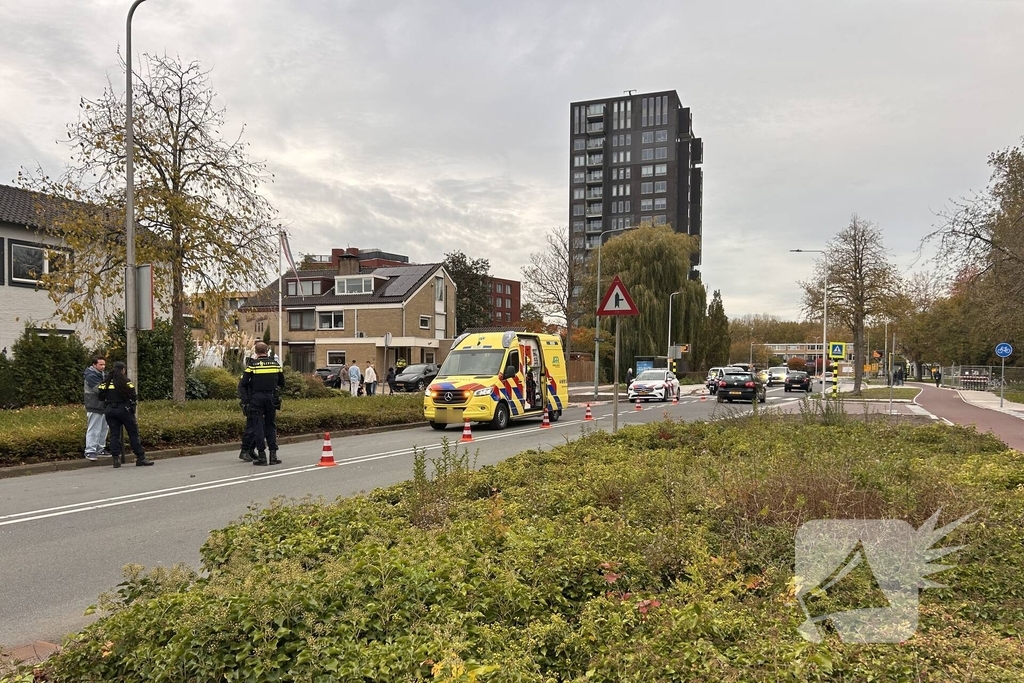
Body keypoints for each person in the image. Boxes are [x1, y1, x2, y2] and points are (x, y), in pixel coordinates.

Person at [97, 362, 154, 468]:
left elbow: (100, 396)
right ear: (123, 370)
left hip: (109, 410)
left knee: (114, 435)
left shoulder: (105, 382)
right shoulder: (126, 382)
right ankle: (140, 458)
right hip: (124, 410)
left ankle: (116, 460)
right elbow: (133, 395)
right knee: (133, 434)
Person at [238, 342, 285, 466]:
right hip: (271, 398)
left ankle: (262, 456)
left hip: (256, 398)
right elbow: (282, 382)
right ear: (267, 350)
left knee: (258, 426)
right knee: (271, 426)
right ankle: (273, 456)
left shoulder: (252, 366)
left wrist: (245, 400)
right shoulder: (275, 364)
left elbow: (243, 384)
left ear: (256, 352)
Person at [83, 355, 111, 461]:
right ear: (94, 365)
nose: (103, 367)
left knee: (103, 428)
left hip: (103, 405)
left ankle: (100, 448)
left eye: (104, 364)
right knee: (94, 429)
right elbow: (99, 389)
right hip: (94, 405)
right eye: (101, 364)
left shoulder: (103, 374)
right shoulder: (91, 376)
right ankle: (90, 451)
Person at [236, 352, 258, 462]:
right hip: (251, 403)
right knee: (251, 428)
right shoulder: (248, 373)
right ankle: (244, 451)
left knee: (258, 428)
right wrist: (246, 402)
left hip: (257, 401)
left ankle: (251, 450)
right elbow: (241, 387)